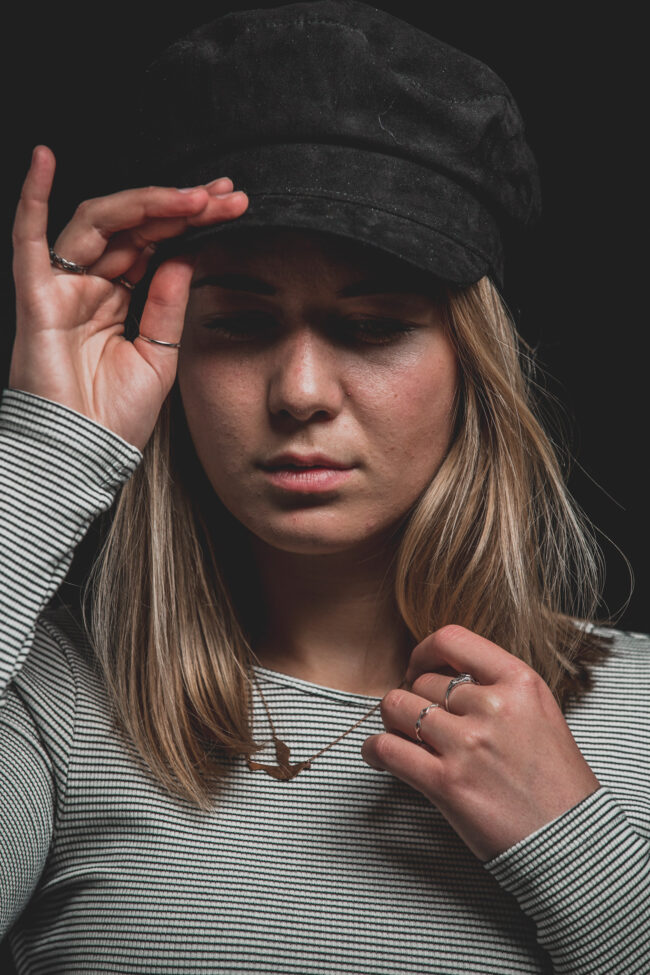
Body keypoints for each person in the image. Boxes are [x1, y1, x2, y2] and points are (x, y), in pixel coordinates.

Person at [1, 1, 648, 972]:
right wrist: (48, 451)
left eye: (371, 326)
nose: (300, 392)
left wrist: (574, 845)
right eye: (239, 324)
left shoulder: (639, 711)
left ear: (470, 365)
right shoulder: (51, 706)